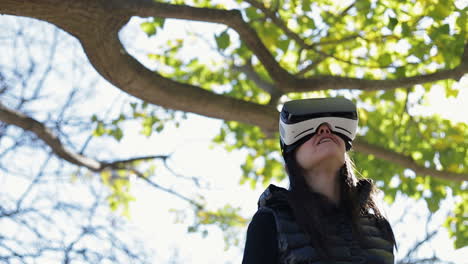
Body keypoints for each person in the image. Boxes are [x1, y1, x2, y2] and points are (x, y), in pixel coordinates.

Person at [242, 97, 396, 264]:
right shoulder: (269, 221)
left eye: (332, 127)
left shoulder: (378, 226)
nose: (324, 129)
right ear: (289, 163)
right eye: (308, 130)